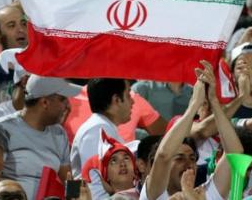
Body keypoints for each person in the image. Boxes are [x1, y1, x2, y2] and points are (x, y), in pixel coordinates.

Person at [142, 60, 243, 200]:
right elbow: (164, 155)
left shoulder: (204, 194)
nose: (189, 164)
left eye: (193, 158)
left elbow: (235, 155)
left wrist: (214, 101)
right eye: (179, 158)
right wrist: (195, 104)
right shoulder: (154, 194)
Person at [0, 75, 81, 199]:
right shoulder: (0, 129)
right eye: (62, 99)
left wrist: (77, 196)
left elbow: (68, 179)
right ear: (45, 102)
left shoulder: (59, 133)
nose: (68, 106)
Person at [71, 78, 133, 199]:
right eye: (128, 95)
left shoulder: (102, 127)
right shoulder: (97, 130)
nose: (133, 101)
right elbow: (95, 190)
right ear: (116, 100)